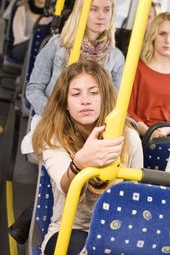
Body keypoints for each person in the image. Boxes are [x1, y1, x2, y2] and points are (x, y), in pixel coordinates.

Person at [32, 60, 143, 254]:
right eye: (76, 94)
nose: (86, 100)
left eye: (94, 92)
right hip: (69, 229)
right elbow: (66, 185)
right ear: (65, 103)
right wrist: (79, 164)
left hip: (114, 229)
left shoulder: (129, 138)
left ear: (104, 97)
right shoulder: (53, 138)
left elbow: (135, 194)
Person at [21, 0, 124, 155]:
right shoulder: (57, 45)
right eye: (94, 9)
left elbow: (112, 102)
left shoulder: (116, 57)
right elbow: (33, 89)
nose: (101, 16)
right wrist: (58, 116)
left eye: (107, 10)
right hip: (53, 118)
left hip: (93, 126)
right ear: (81, 11)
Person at [128, 12, 170, 138]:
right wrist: (148, 132)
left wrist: (165, 130)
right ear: (153, 36)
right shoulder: (137, 68)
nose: (168, 40)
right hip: (139, 132)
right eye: (162, 34)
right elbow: (128, 111)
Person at [11, 0, 52, 64]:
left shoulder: (51, 15)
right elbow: (19, 36)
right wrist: (34, 42)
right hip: (21, 47)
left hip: (41, 50)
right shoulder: (22, 9)